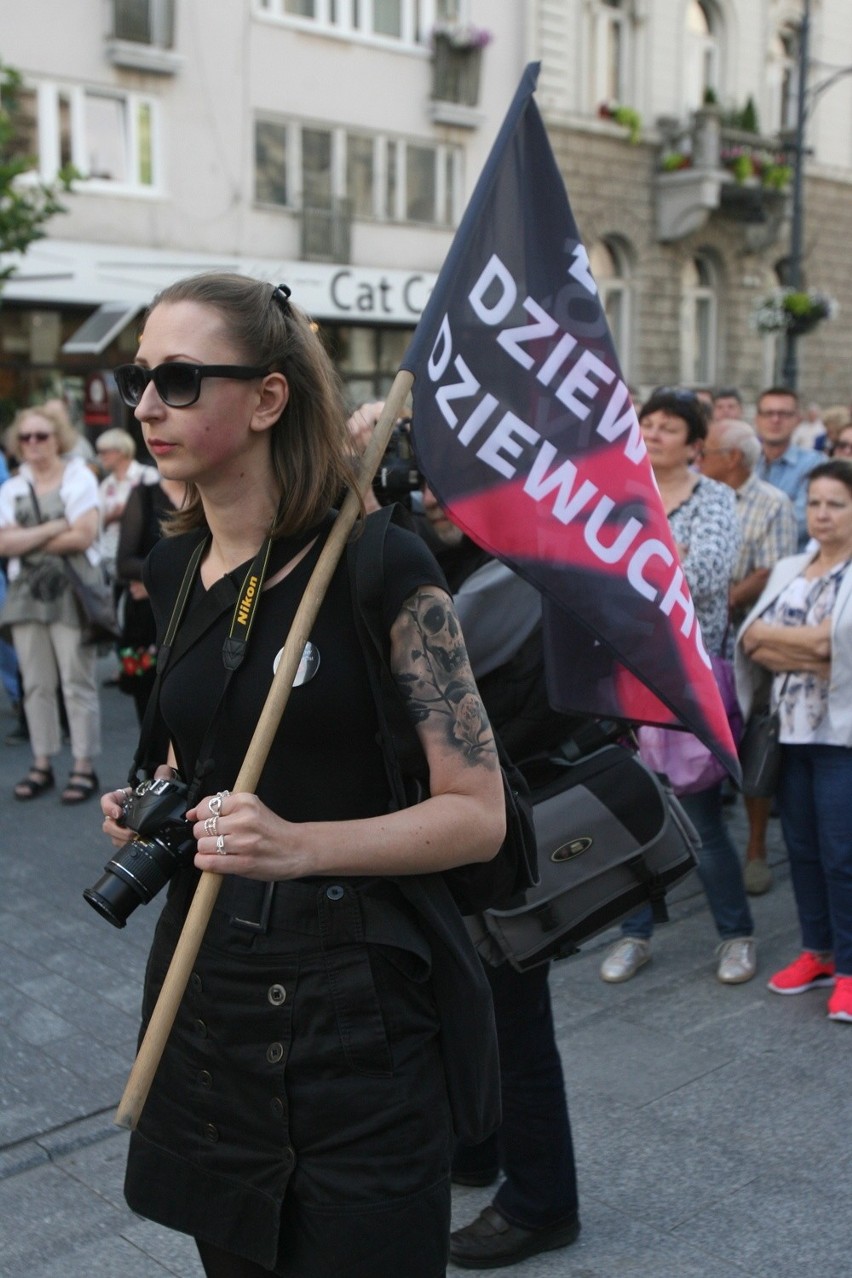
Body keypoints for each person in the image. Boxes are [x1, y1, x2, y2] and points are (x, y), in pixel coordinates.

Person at [97, 272, 506, 1278]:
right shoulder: (173, 572)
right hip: (210, 999)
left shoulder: (380, 563)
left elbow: (479, 814)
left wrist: (298, 844)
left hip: (356, 1024)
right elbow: (200, 756)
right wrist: (154, 807)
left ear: (269, 397)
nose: (147, 405)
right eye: (138, 379)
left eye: (181, 379)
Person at [599, 388, 757, 985]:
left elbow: (711, 574)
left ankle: (736, 934)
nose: (655, 433)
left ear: (695, 444)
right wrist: (664, 558)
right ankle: (634, 932)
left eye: (669, 427)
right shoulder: (618, 494)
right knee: (634, 814)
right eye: (648, 423)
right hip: (625, 675)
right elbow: (598, 572)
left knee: (702, 820)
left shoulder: (714, 495)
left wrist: (637, 561)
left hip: (690, 678)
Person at [736, 460, 852, 1023]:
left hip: (842, 737)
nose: (823, 514)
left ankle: (851, 970)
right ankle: (818, 952)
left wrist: (817, 648)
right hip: (789, 731)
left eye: (836, 503)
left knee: (843, 856)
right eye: (815, 504)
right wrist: (815, 648)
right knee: (801, 851)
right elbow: (752, 640)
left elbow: (840, 651)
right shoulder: (788, 567)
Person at [697, 417, 797, 894]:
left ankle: (756, 846)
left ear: (732, 459)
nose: (701, 458)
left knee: (756, 737)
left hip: (751, 639)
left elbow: (774, 569)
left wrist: (726, 595)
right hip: (701, 637)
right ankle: (701, 833)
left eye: (709, 451)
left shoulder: (772, 503)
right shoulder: (697, 496)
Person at [0, 402, 102, 803]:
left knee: (76, 681)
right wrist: (58, 525)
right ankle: (41, 762)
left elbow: (83, 536)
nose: (33, 444)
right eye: (25, 437)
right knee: (36, 684)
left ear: (58, 437)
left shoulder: (79, 476)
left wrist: (28, 537)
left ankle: (83, 766)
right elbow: (3, 543)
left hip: (71, 592)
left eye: (41, 435)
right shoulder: (13, 486)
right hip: (26, 595)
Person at [114, 473, 185, 722]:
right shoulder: (143, 495)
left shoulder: (210, 493)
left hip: (197, 618)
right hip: (147, 623)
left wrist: (156, 581)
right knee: (149, 714)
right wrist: (185, 574)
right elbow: (124, 564)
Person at [754, 386, 822, 549]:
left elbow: (801, 521)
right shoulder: (743, 462)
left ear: (797, 420)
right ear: (757, 419)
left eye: (784, 414)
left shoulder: (814, 464)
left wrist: (750, 528)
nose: (775, 420)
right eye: (768, 413)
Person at [95, 427, 159, 581]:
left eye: (104, 451)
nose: (100, 457)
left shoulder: (147, 476)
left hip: (143, 554)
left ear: (120, 452)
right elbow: (95, 525)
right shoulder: (106, 485)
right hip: (109, 557)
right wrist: (112, 516)